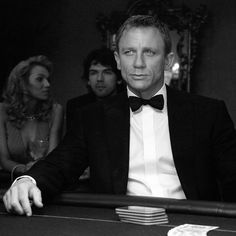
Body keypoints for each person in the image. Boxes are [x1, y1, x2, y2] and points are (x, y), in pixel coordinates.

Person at [3, 15, 236, 216]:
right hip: (120, 226)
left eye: (149, 52)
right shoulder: (91, 117)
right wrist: (27, 180)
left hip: (191, 225)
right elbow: (61, 163)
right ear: (118, 60)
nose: (138, 63)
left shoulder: (209, 113)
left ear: (168, 60)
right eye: (129, 52)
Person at [0, 55, 64, 182]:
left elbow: (53, 158)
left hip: (43, 181)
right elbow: (3, 159)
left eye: (48, 79)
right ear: (22, 84)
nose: (47, 84)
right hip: (8, 182)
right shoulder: (2, 111)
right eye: (40, 79)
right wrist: (23, 169)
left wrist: (36, 170)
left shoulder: (56, 111)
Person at [66, 47, 124, 131]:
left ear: (119, 78)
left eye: (107, 72)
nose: (99, 79)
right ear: (88, 79)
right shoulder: (76, 106)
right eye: (94, 73)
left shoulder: (130, 105)